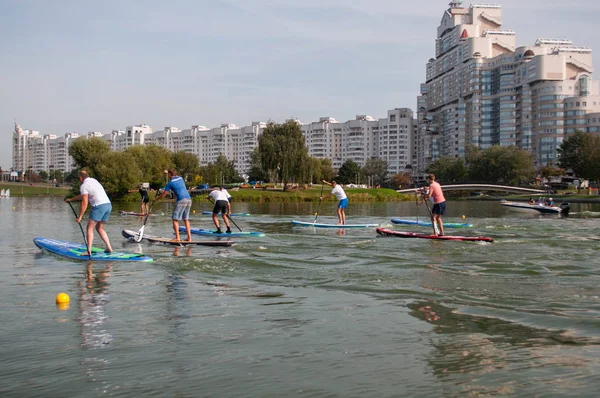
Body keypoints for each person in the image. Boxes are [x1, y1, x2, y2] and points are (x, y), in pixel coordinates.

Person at [65, 170, 113, 255]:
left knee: (89, 228)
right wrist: (72, 199)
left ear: (81, 177)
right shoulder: (94, 181)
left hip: (99, 206)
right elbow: (84, 195)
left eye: (78, 178)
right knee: (99, 228)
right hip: (108, 205)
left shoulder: (84, 186)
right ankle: (109, 248)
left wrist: (80, 217)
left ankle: (88, 251)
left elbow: (85, 202)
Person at [157, 168, 192, 241]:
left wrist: (156, 199)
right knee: (185, 219)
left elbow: (164, 195)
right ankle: (189, 238)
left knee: (175, 219)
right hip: (189, 199)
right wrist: (168, 172)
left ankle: (177, 238)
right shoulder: (181, 178)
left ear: (170, 174)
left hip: (181, 200)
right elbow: (174, 174)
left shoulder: (169, 183)